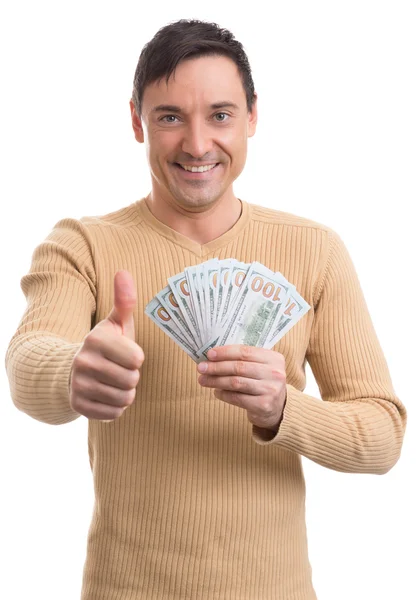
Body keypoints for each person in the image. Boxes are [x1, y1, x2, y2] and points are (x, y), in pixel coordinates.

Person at [5, 18, 407, 600]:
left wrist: (282, 410)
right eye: (170, 116)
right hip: (125, 589)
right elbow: (27, 361)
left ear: (251, 117)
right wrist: (71, 371)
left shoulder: (316, 250)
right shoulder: (82, 244)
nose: (197, 144)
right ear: (137, 122)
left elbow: (383, 433)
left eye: (219, 115)